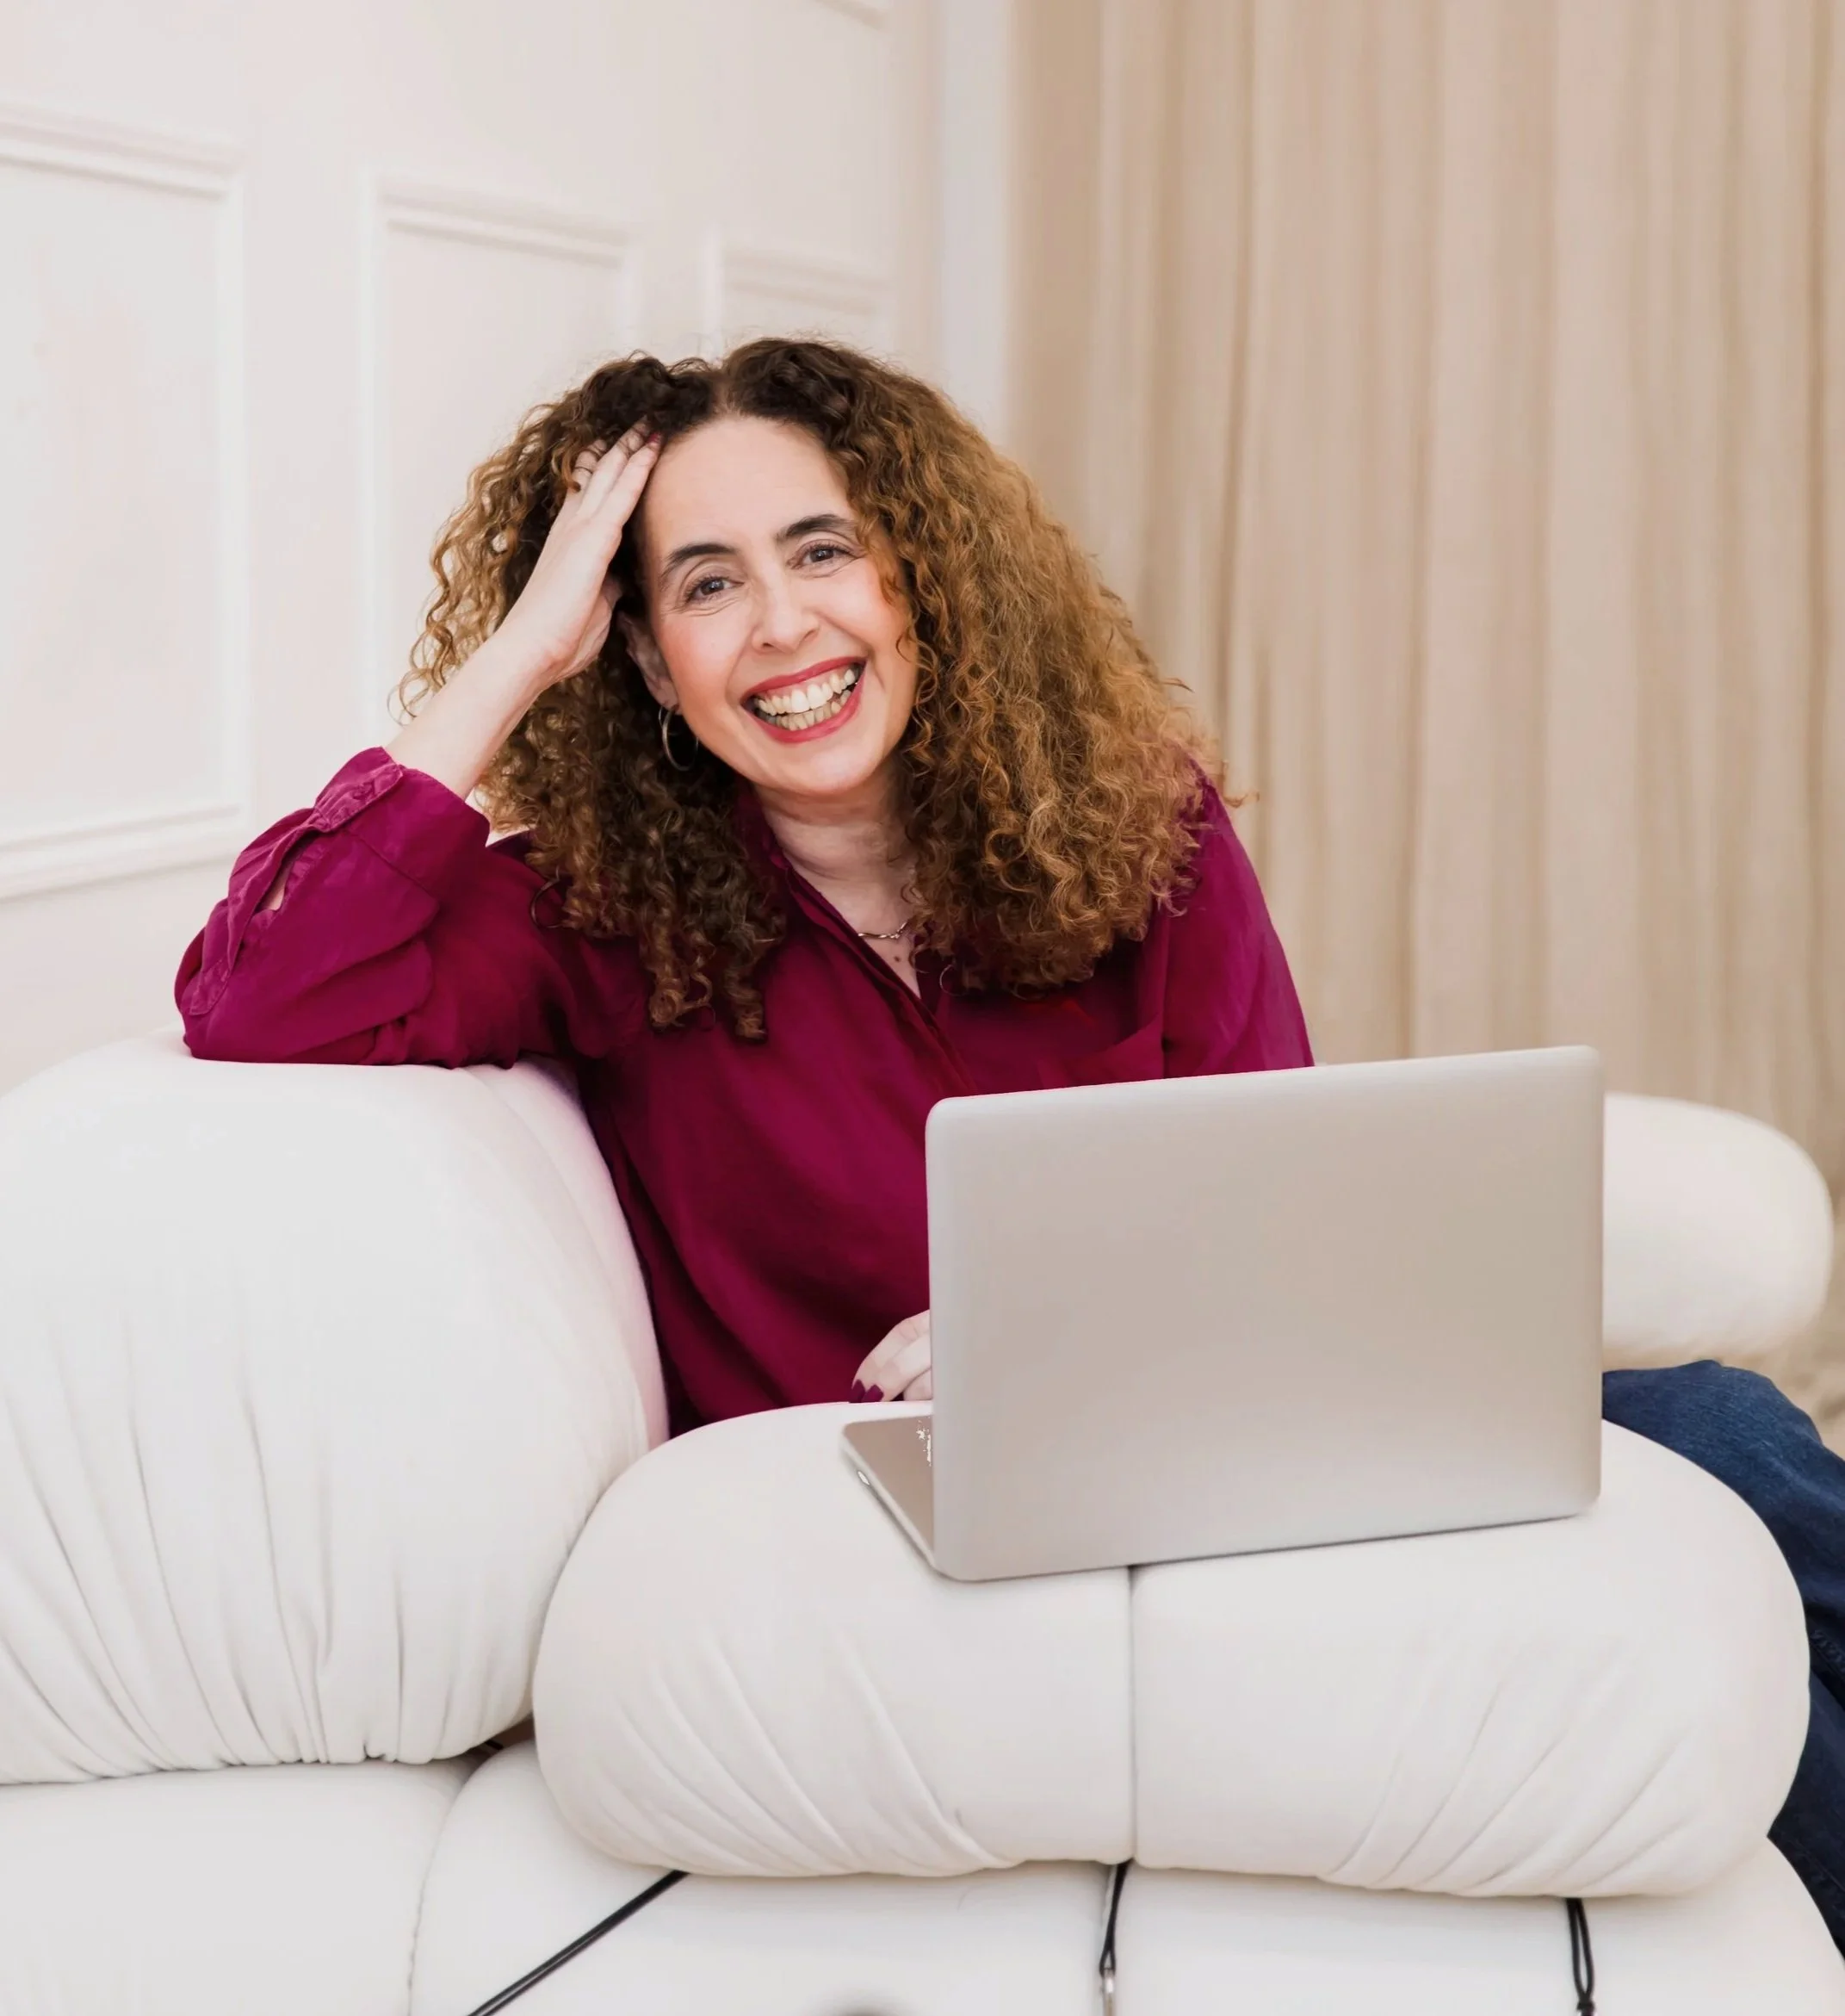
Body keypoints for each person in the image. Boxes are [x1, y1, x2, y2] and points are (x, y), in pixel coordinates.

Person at [176, 338, 1845, 1950]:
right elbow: (258, 987)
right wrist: (520, 649)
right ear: (644, 658)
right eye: (703, 584)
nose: (782, 625)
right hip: (890, 1516)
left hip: (1209, 1434)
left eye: (822, 550)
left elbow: (1274, 1186)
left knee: (1734, 1433)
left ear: (922, 577)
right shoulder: (597, 917)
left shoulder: (1144, 829)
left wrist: (1062, 1334)